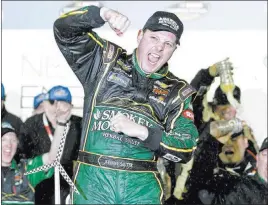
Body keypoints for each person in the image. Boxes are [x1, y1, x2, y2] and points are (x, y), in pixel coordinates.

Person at [54, 5, 199, 204]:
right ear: (140, 36)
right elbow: (64, 31)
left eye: (168, 44)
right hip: (93, 182)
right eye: (154, 38)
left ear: (174, 49)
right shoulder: (104, 62)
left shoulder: (177, 92)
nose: (159, 47)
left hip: (141, 188)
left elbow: (186, 148)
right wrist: (102, 13)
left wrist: (143, 132)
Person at [20, 85, 82, 204]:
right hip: (38, 188)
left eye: (63, 104)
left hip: (69, 189)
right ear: (44, 104)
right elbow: (23, 158)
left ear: (71, 107)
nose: (57, 108)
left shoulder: (79, 124)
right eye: (52, 102)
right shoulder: (31, 124)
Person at [1, 100, 71, 204]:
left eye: (13, 139)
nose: (9, 144)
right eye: (3, 139)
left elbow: (52, 158)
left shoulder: (26, 170)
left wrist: (61, 122)